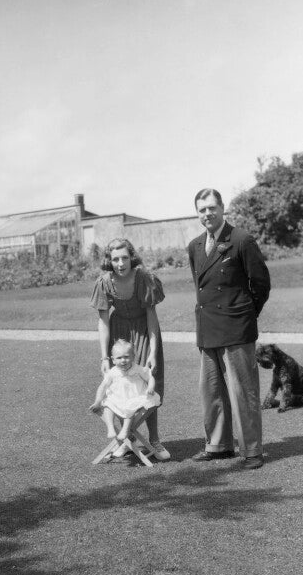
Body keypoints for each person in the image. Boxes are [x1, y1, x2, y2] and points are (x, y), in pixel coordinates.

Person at [187, 188, 271, 469]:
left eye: (212, 208)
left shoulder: (241, 240)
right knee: (211, 392)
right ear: (197, 213)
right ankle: (219, 446)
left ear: (222, 208)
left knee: (243, 393)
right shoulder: (196, 246)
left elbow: (261, 285)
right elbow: (202, 288)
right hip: (208, 328)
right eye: (202, 209)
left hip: (236, 329)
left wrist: (245, 316)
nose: (207, 214)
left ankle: (252, 451)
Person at [90, 237, 170, 461]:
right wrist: (104, 356)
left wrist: (153, 351)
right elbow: (103, 322)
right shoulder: (104, 282)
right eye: (115, 259)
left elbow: (152, 317)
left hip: (144, 331)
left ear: (131, 257)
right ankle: (129, 440)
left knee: (148, 385)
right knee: (118, 386)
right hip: (119, 333)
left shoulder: (144, 278)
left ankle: (154, 440)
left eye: (125, 257)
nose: (120, 263)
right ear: (109, 260)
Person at [89, 338, 161, 443]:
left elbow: (150, 377)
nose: (123, 360)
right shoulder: (112, 372)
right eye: (119, 358)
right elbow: (103, 386)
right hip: (118, 398)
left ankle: (126, 430)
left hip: (135, 398)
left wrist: (150, 387)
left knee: (129, 408)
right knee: (107, 405)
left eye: (126, 357)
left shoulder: (138, 369)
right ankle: (111, 428)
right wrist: (97, 401)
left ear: (133, 357)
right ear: (113, 360)